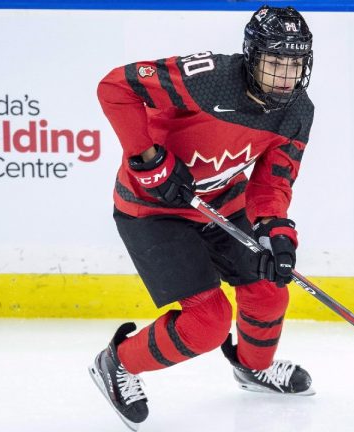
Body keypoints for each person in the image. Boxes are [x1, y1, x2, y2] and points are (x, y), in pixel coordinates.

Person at [88, 5, 315, 430]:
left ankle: (253, 367)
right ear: (252, 56)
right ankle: (116, 364)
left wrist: (276, 233)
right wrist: (147, 158)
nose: (285, 75)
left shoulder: (297, 111)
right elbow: (114, 87)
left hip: (224, 203)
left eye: (295, 63)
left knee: (268, 288)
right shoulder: (206, 77)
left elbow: (271, 184)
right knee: (207, 323)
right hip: (152, 210)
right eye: (274, 61)